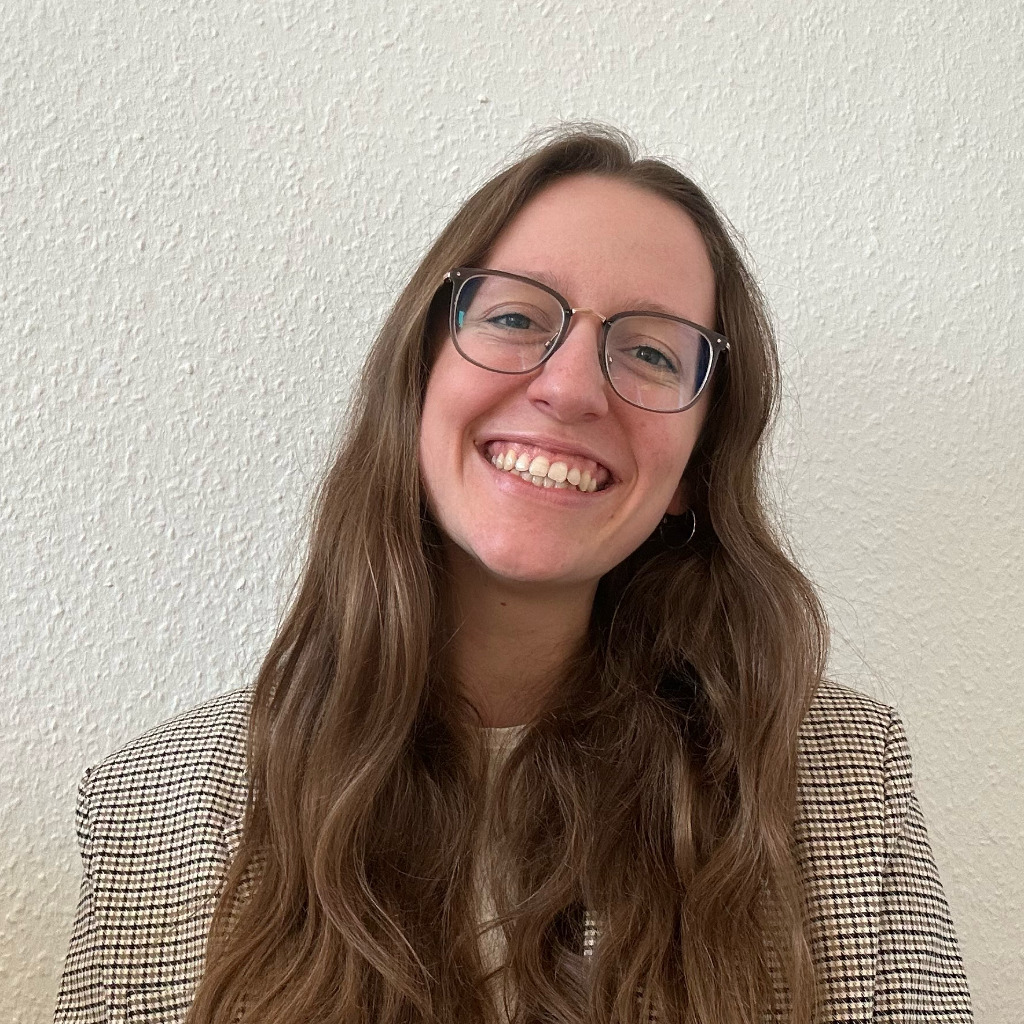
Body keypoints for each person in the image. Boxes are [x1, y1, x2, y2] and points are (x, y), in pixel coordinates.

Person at [55, 126, 973, 1024]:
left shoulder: (845, 786)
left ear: (696, 466)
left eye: (650, 353)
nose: (570, 388)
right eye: (514, 318)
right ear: (418, 378)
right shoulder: (148, 815)